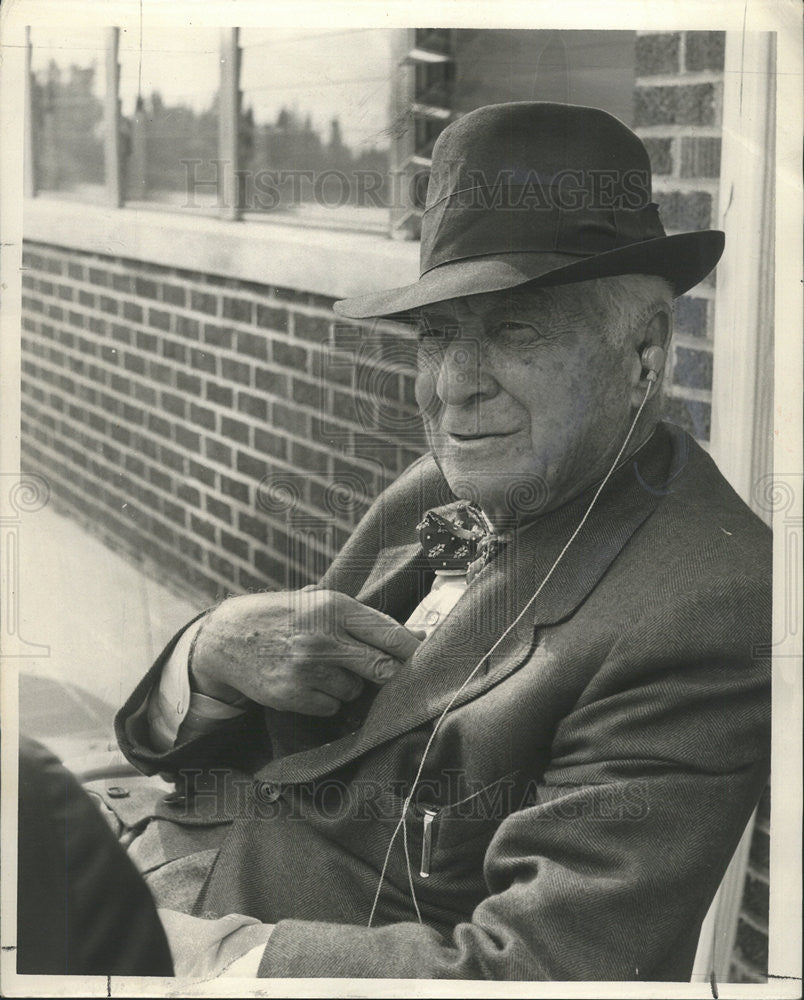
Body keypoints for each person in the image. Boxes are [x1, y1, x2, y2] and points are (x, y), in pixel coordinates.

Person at [115, 102, 771, 981]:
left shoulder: (709, 601)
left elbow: (534, 972)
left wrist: (201, 960)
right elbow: (276, 751)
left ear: (645, 351)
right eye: (437, 335)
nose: (453, 388)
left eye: (515, 329)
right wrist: (207, 656)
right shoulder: (447, 484)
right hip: (156, 851)